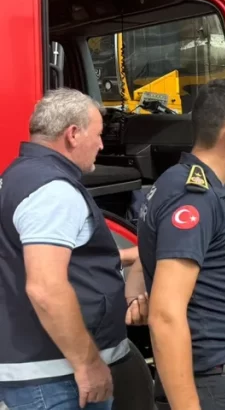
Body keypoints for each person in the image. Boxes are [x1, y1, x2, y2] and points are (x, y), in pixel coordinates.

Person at [138, 79, 225, 410]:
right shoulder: (194, 198)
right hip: (212, 384)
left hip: (216, 378)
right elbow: (166, 314)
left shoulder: (181, 183)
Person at [0, 89, 134, 409]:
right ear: (73, 134)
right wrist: (88, 364)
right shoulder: (53, 191)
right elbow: (46, 287)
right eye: (99, 134)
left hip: (32, 369)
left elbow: (31, 261)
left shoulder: (16, 176)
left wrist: (127, 257)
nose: (101, 145)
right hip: (56, 378)